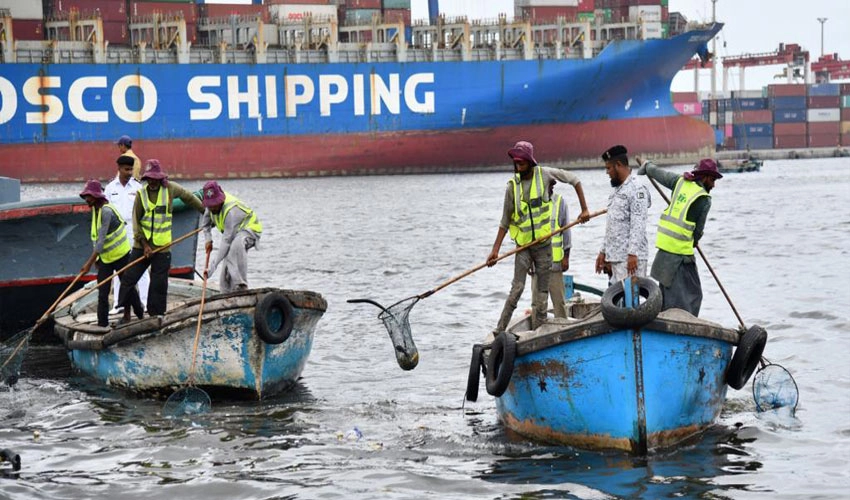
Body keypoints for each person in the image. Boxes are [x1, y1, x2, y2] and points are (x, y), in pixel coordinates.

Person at [487, 141, 590, 333]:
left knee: (542, 294)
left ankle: (541, 331)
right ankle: (500, 329)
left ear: (530, 162)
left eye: (522, 163)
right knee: (516, 289)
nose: (518, 167)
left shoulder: (545, 174)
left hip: (544, 247)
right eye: (516, 163)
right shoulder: (512, 187)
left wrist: (585, 209)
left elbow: (574, 179)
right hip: (524, 247)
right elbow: (504, 222)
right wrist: (495, 251)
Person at [636, 156, 723, 316]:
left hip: (663, 251)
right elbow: (697, 234)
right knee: (692, 296)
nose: (714, 185)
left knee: (667, 298)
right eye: (712, 180)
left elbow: (659, 173)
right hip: (680, 257)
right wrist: (694, 240)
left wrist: (646, 166)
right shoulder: (703, 200)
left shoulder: (680, 182)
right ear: (704, 177)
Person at [118, 160, 204, 318]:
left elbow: (189, 198)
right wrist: (144, 245)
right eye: (149, 179)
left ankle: (155, 315)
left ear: (160, 178)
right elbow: (136, 222)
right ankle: (132, 309)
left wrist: (205, 212)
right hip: (142, 245)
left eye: (155, 179)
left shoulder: (170, 189)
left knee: (158, 284)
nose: (152, 182)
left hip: (162, 247)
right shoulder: (141, 194)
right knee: (128, 279)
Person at [78, 179, 144, 327]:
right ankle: (102, 324)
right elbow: (97, 237)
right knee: (103, 292)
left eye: (88, 196)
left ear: (95, 196)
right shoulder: (95, 209)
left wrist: (87, 264)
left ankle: (138, 313)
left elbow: (101, 241)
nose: (86, 200)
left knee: (127, 288)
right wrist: (98, 259)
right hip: (106, 259)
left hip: (121, 255)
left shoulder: (106, 211)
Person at [595, 145, 650, 285]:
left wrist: (632, 254)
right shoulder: (616, 190)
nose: (607, 172)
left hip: (629, 260)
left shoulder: (637, 189)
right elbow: (613, 225)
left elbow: (638, 224)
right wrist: (603, 251)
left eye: (609, 168)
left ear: (618, 165)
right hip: (616, 258)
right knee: (617, 303)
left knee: (632, 302)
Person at [200, 181, 263, 293]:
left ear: (220, 200)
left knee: (235, 247)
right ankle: (225, 291)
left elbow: (226, 242)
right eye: (210, 205)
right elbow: (205, 225)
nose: (213, 208)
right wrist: (208, 239)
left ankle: (241, 285)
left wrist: (211, 268)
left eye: (215, 204)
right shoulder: (209, 208)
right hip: (234, 233)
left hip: (250, 230)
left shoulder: (231, 211)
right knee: (227, 265)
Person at [106, 155, 149, 313]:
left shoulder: (138, 188)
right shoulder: (110, 188)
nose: (130, 172)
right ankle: (119, 303)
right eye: (127, 169)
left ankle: (144, 302)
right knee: (119, 269)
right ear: (119, 169)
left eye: (131, 169)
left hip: (135, 230)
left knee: (141, 268)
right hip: (117, 233)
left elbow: (144, 212)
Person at [530, 179, 572, 318]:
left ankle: (563, 329)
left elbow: (566, 232)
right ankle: (538, 330)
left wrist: (566, 257)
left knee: (559, 302)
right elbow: (527, 235)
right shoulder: (532, 205)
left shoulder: (560, 203)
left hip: (555, 264)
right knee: (537, 304)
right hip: (537, 265)